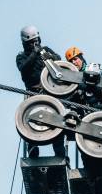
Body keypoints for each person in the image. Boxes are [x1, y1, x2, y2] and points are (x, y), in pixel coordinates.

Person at [15, 25, 65, 158]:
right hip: (33, 93)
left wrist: (51, 57)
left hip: (49, 92)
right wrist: (34, 54)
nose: (34, 44)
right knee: (30, 122)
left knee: (57, 122)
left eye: (36, 41)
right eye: (31, 42)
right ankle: (32, 153)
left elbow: (59, 62)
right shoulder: (21, 56)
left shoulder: (45, 50)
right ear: (26, 43)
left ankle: (61, 156)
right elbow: (23, 69)